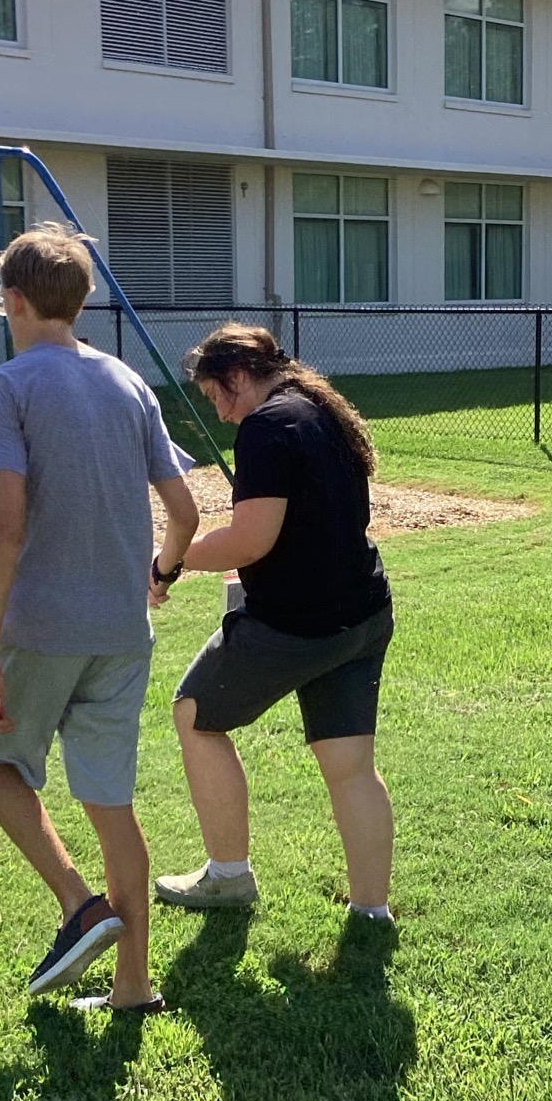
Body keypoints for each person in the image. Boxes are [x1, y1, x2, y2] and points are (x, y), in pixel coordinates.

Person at [0, 223, 199, 1012]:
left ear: (17, 301)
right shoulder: (129, 382)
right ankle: (133, 987)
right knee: (112, 807)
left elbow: (7, 528)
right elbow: (185, 510)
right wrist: (159, 573)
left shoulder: (10, 385)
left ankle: (77, 902)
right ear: (81, 300)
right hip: (123, 631)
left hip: (44, 627)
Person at [149, 324, 395, 921]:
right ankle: (371, 911)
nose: (223, 415)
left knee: (194, 714)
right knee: (350, 767)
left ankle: (228, 878)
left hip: (297, 626)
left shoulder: (267, 426)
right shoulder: (318, 408)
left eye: (217, 397)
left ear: (237, 377)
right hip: (362, 614)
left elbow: (250, 541)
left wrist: (173, 561)